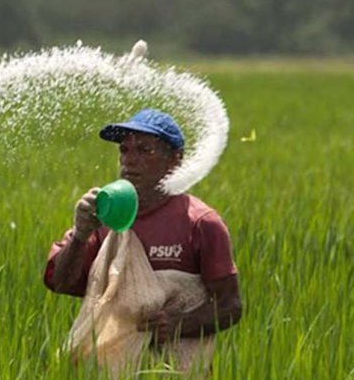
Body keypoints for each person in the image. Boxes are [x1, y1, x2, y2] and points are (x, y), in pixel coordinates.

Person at [45, 109, 242, 351]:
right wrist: (80, 235)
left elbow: (230, 306)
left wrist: (177, 324)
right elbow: (62, 283)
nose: (129, 160)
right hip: (107, 371)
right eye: (124, 150)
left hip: (178, 376)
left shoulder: (201, 223)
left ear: (174, 160)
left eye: (144, 150)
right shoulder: (105, 217)